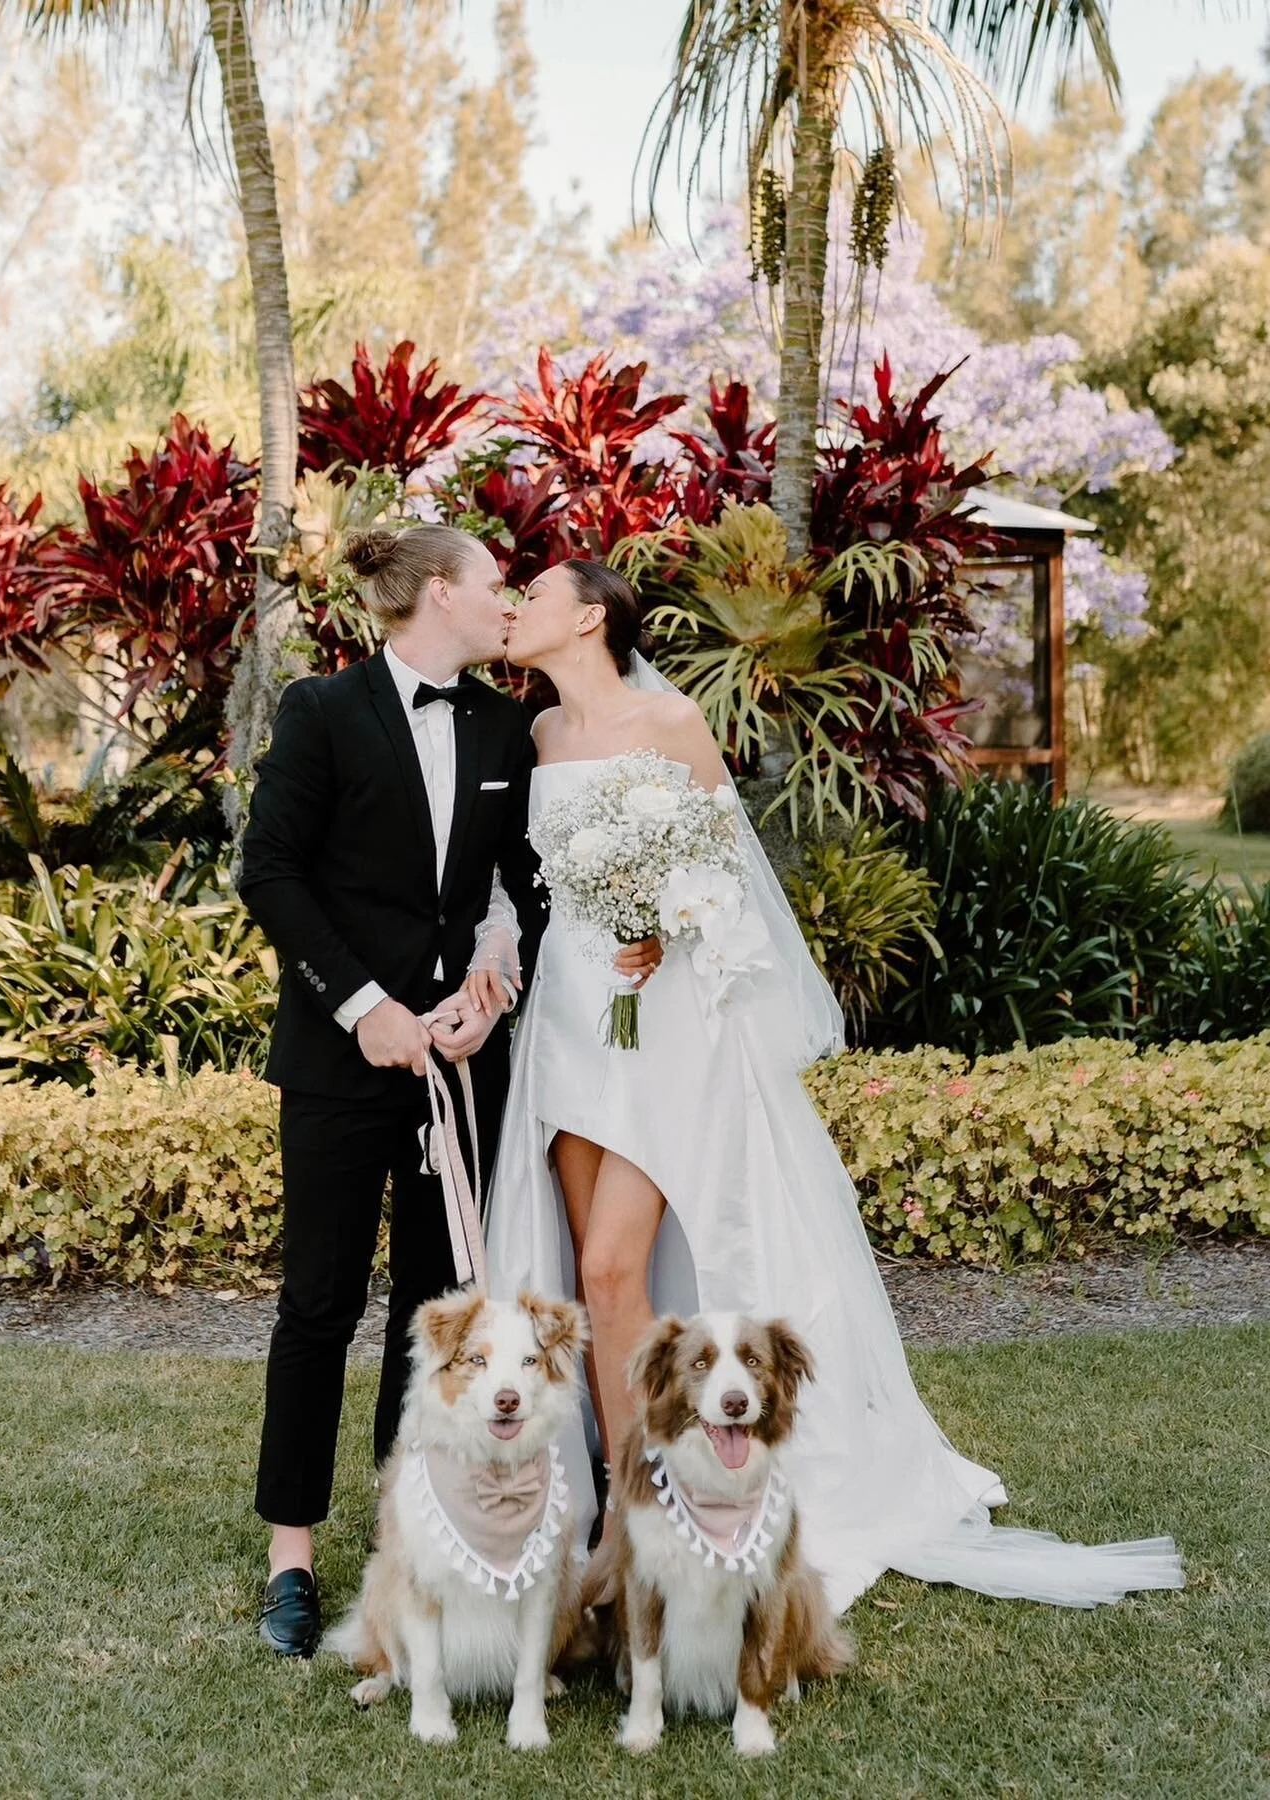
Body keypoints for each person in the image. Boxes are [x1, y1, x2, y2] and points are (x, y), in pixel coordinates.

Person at [483, 557, 1183, 1614]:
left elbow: (728, 883)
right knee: (595, 1284)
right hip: (570, 1027)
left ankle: (654, 1518)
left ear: (586, 619)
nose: (513, 607)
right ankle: (626, 1510)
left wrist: (665, 926)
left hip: (661, 1029)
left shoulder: (668, 728)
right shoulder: (535, 737)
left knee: (614, 1266)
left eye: (530, 595)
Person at [238, 526, 653, 1659]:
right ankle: (291, 1562)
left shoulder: (502, 726)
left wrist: (493, 983)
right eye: (492, 585)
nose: (505, 601)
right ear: (437, 595)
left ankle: (403, 1539)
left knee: (435, 1318)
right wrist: (363, 1004)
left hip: (460, 1072)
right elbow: (266, 870)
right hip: (339, 1063)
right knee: (317, 1306)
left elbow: (518, 887)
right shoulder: (324, 713)